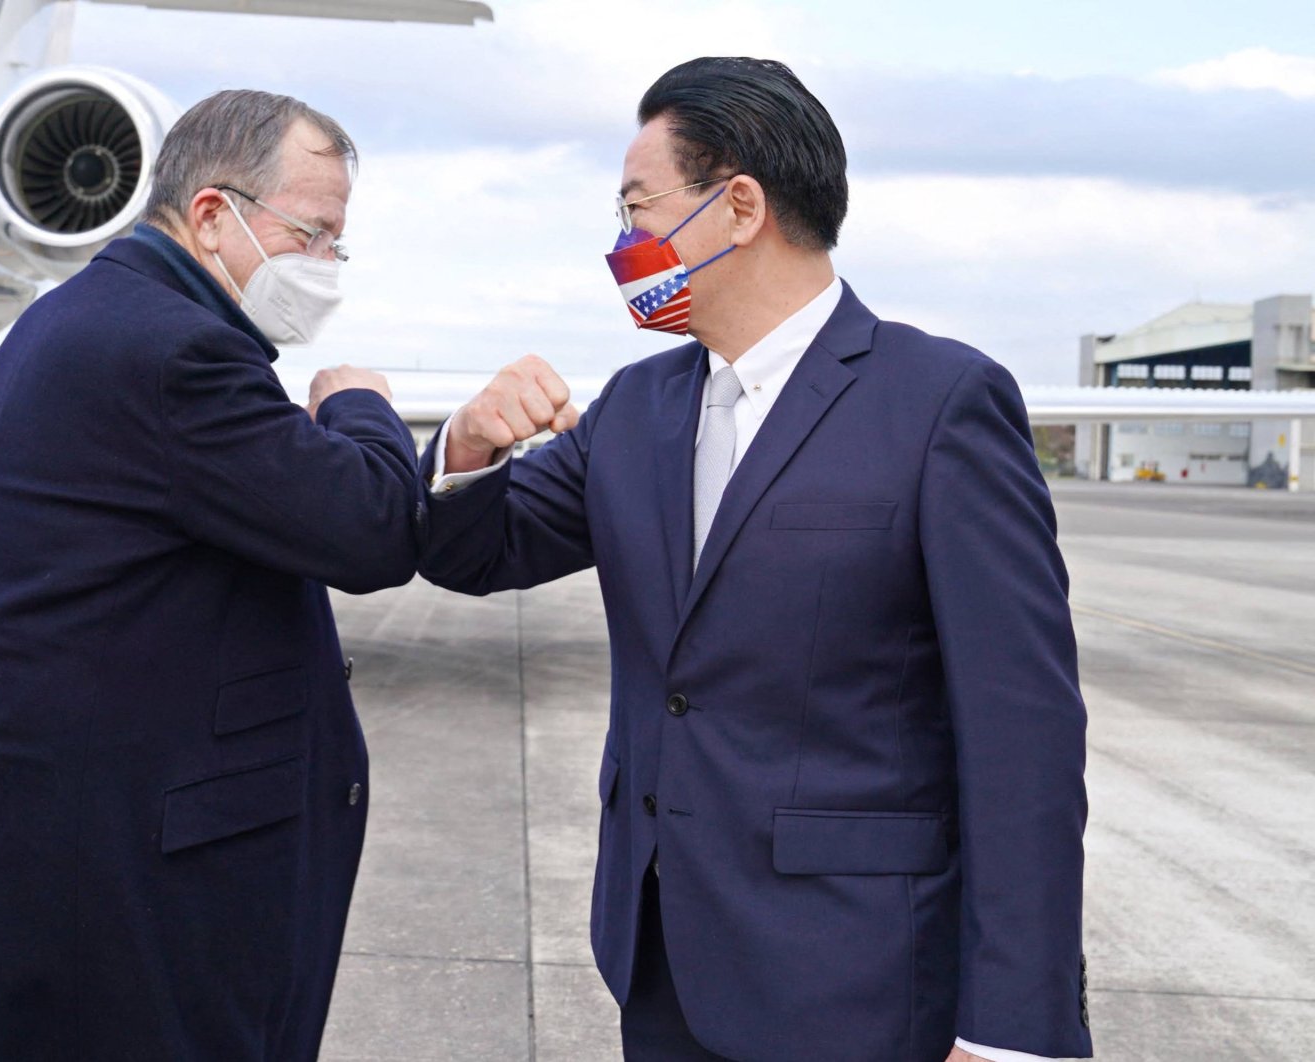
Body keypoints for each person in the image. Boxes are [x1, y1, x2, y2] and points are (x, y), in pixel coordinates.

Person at [419, 57, 1092, 1062]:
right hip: (660, 961)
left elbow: (1021, 735)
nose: (622, 242)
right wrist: (468, 449)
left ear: (738, 207)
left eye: (637, 206)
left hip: (857, 977)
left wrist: (1011, 1028)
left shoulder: (938, 403)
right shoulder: (637, 410)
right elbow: (481, 550)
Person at [0, 90, 420, 1061]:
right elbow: (368, 528)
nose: (326, 266)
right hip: (115, 869)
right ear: (213, 215)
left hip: (36, 831)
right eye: (313, 234)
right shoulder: (179, 352)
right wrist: (358, 408)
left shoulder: (72, 319)